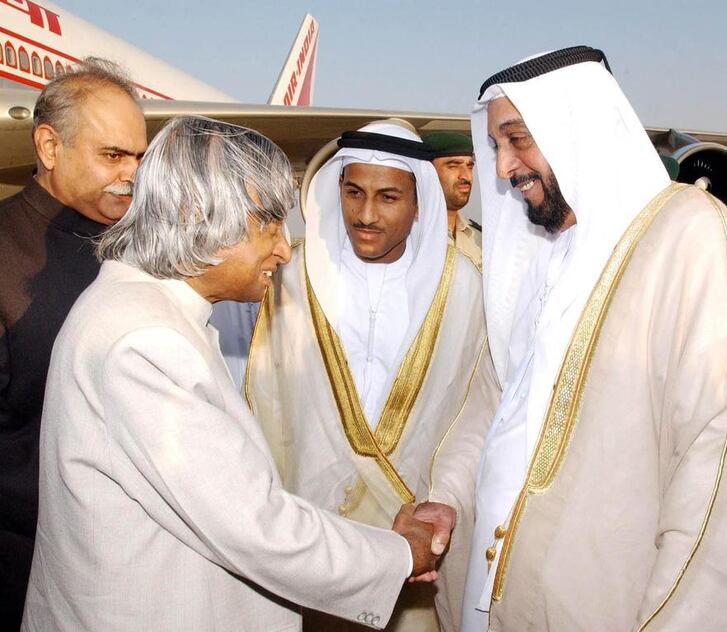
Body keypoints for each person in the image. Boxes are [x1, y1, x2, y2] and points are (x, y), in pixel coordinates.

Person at [420, 46, 727, 631]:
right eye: (495, 145)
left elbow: (723, 473)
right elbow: (493, 405)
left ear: (580, 129)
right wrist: (445, 496)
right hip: (490, 593)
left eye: (519, 139)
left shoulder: (693, 238)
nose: (501, 168)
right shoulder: (530, 256)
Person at [22, 116, 439, 632]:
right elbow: (253, 526)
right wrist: (398, 556)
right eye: (269, 225)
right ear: (200, 217)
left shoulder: (152, 312)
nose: (285, 249)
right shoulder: (144, 342)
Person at [246, 120, 497, 631]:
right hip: (307, 541)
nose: (365, 215)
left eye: (387, 198)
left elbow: (477, 413)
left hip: (420, 545)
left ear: (418, 202)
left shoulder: (468, 289)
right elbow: (262, 405)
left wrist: (440, 508)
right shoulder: (290, 278)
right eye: (353, 192)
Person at [0, 57, 147, 631]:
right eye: (113, 155)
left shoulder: (140, 252)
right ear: (49, 146)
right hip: (23, 567)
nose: (131, 174)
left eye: (139, 157)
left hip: (125, 568)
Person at [423, 131, 482, 265]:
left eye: (469, 166)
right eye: (453, 166)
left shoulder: (478, 238)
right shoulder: (409, 237)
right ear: (427, 172)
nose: (466, 176)